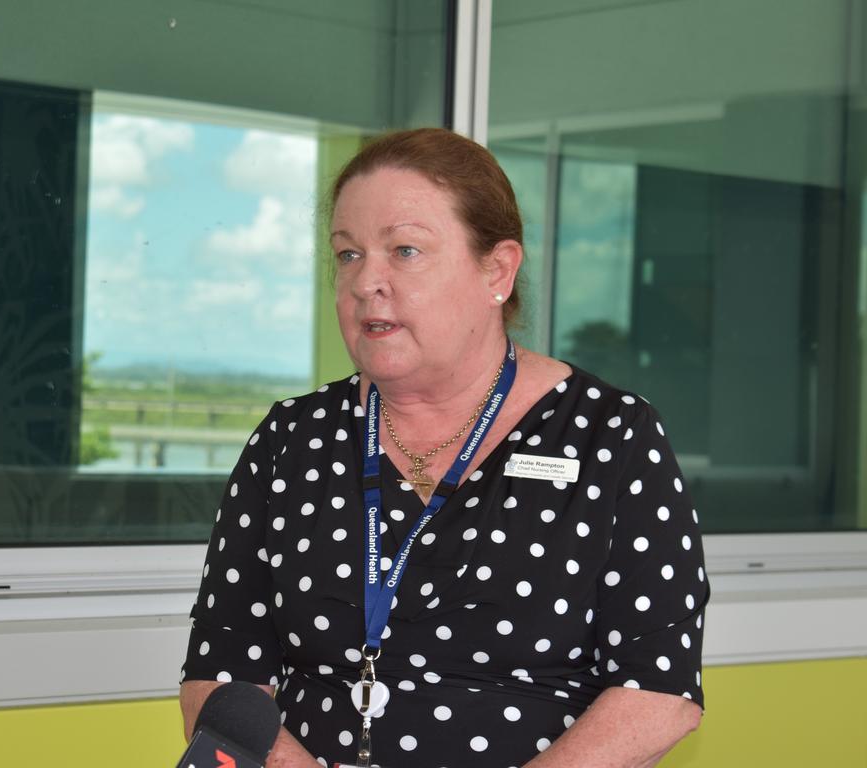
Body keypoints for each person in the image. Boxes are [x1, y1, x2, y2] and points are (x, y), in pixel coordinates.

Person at [179, 128, 708, 768]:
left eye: (404, 251)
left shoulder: (611, 437)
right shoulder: (292, 438)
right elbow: (220, 669)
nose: (366, 281)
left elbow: (658, 690)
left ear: (497, 270)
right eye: (348, 254)